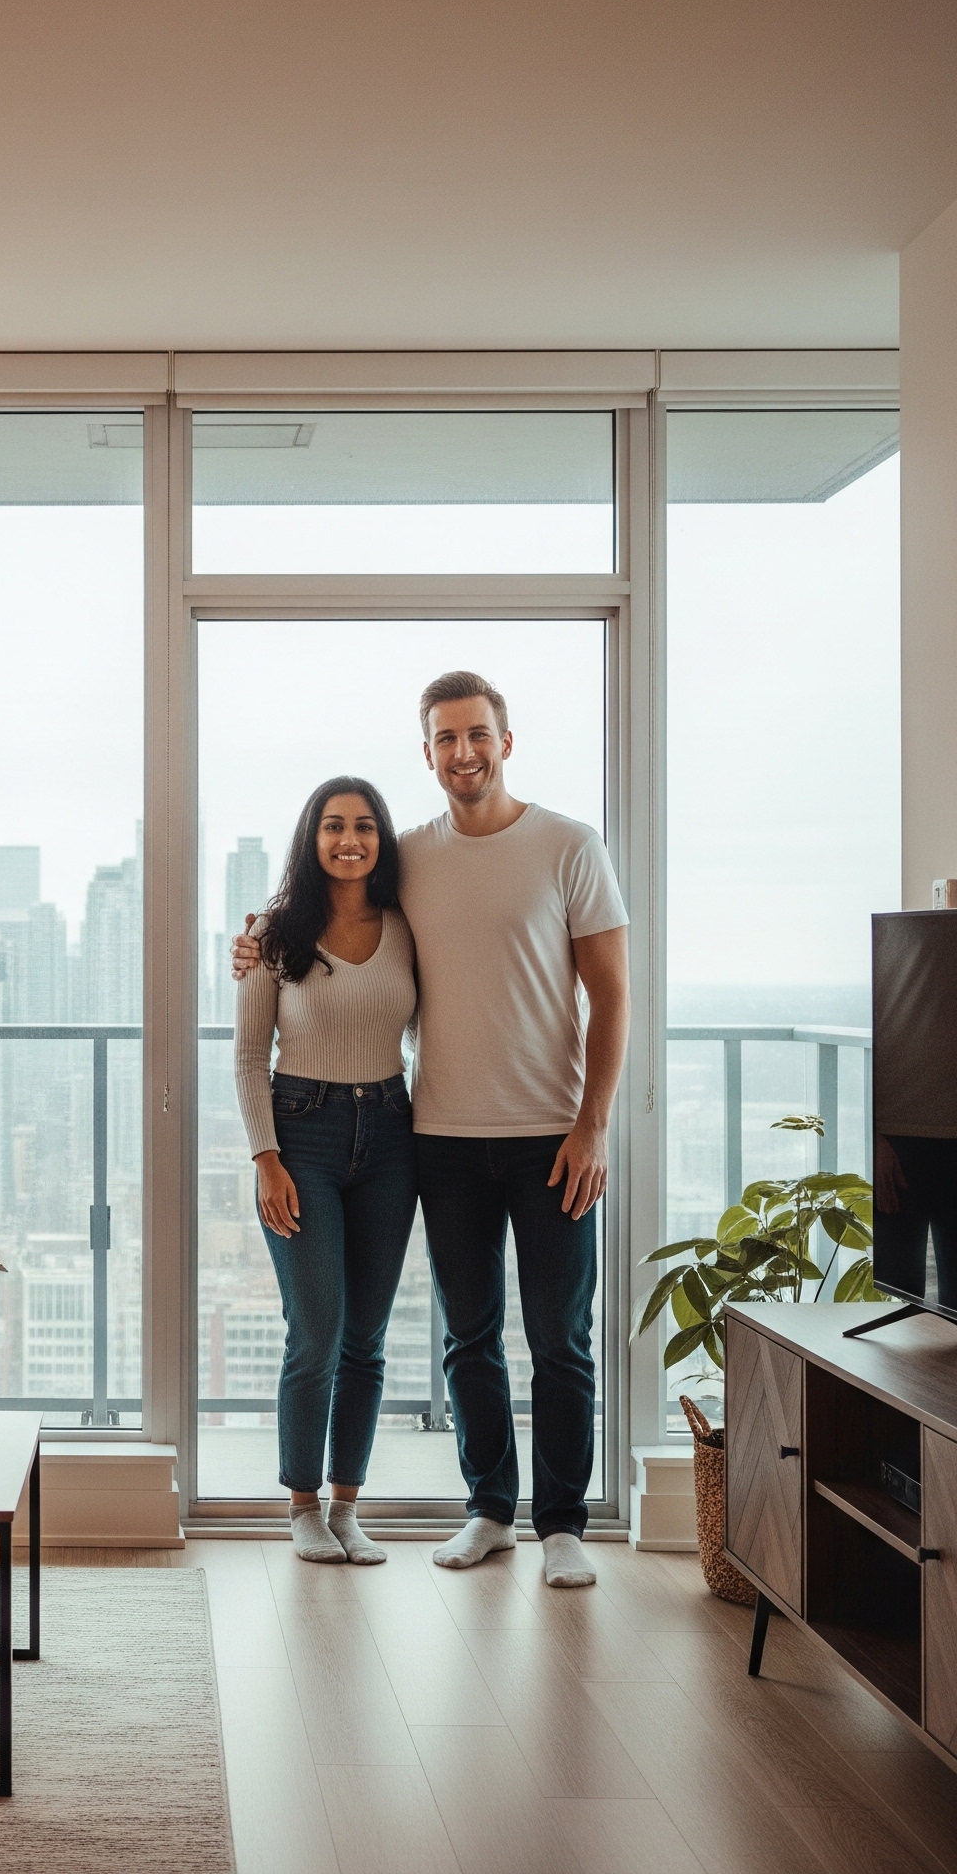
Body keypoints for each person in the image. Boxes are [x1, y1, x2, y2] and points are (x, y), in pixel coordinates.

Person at [233, 671, 629, 1587]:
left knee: (561, 1339)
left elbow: (612, 998)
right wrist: (256, 940)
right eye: (446, 738)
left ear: (505, 740)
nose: (464, 752)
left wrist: (594, 1126)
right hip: (440, 1138)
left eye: (477, 734)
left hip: (551, 1136)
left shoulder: (570, 845)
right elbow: (322, 916)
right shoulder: (409, 857)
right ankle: (490, 1510)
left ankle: (561, 1525)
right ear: (427, 753)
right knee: (468, 1337)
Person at [236, 777, 418, 1564]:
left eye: (365, 826)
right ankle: (302, 1507)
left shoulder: (409, 927)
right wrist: (266, 1159)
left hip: (392, 1137)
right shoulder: (272, 934)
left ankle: (347, 1507)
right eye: (334, 826)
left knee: (366, 1339)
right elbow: (249, 1057)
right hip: (301, 1137)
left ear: (382, 840)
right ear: (312, 839)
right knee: (316, 1332)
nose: (350, 840)